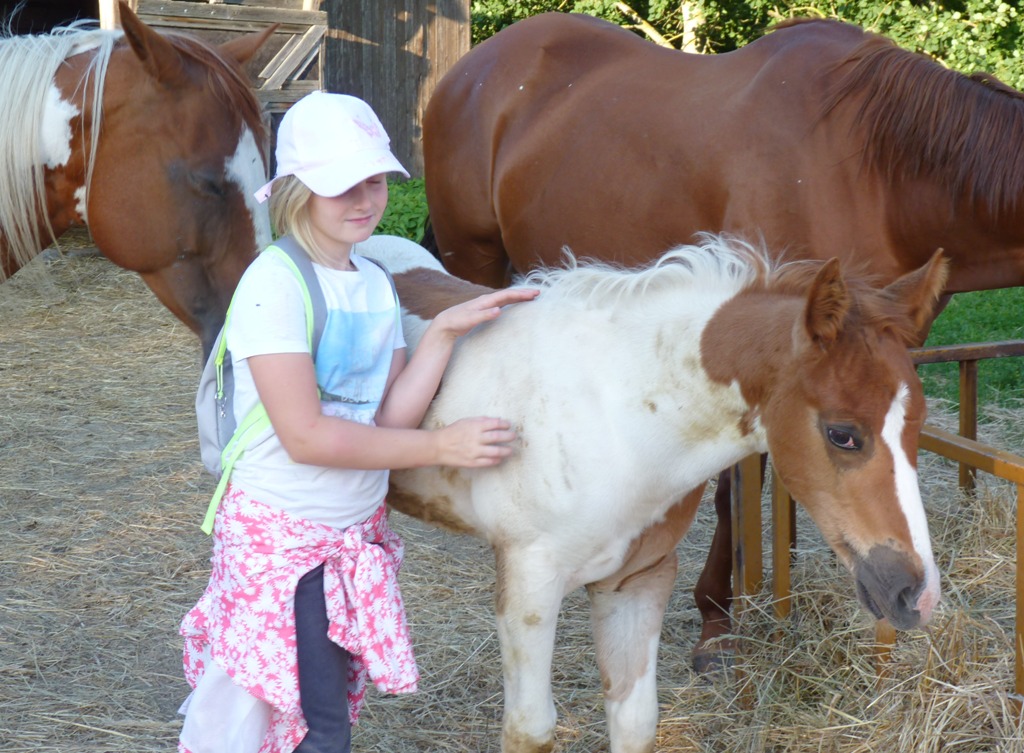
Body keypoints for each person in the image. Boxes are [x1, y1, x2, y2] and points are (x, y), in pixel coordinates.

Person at [177, 91, 538, 753]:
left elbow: (382, 418)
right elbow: (306, 435)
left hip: (350, 531)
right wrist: (442, 444)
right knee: (316, 726)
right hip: (286, 540)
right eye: (342, 185)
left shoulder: (373, 281)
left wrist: (439, 338)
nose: (364, 198)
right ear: (299, 191)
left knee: (311, 715)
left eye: (374, 180)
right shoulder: (275, 283)